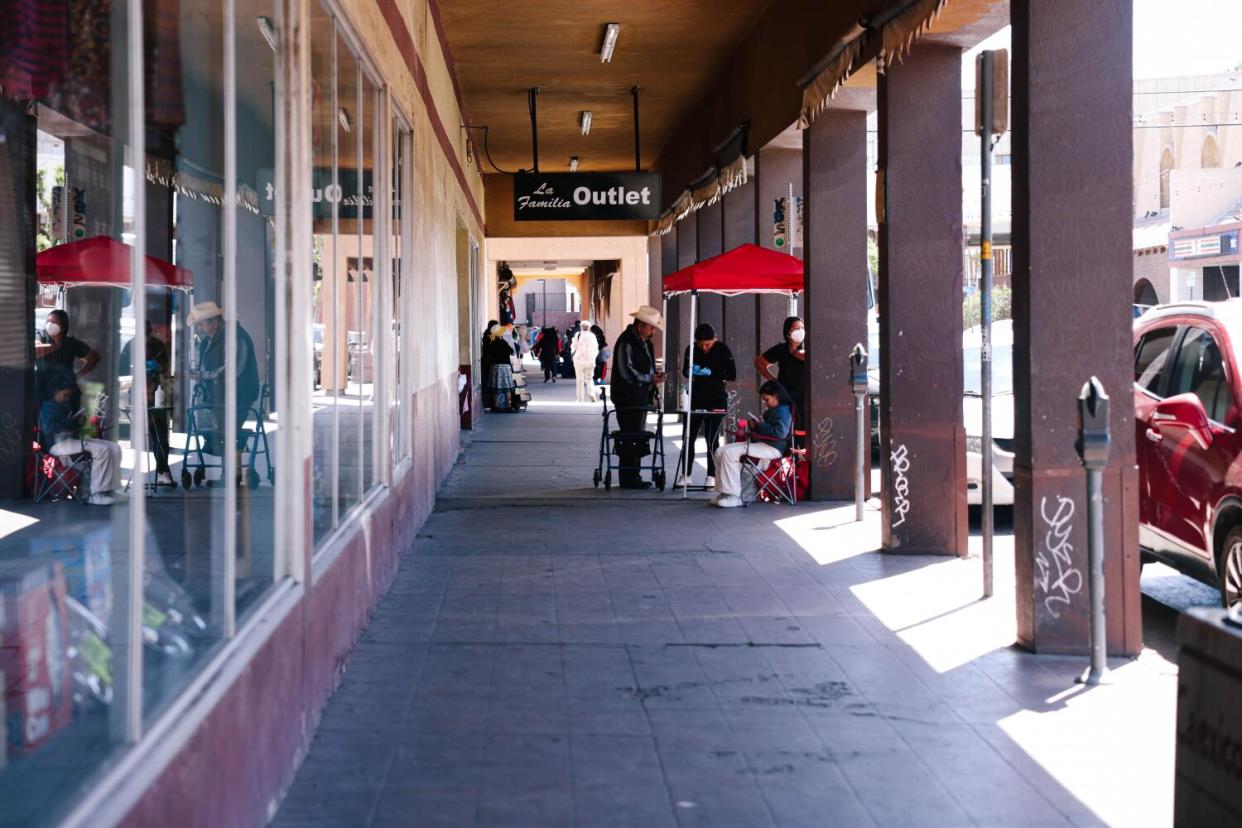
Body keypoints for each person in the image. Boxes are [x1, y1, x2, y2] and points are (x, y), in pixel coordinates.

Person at [188, 301, 260, 477]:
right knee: (222, 431)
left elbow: (232, 370)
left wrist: (203, 375)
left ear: (214, 322)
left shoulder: (235, 338)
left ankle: (233, 472)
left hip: (240, 395)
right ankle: (229, 471)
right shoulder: (213, 339)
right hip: (223, 395)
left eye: (202, 324)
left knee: (228, 430)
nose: (201, 328)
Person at [39, 376, 123, 505]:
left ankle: (109, 489)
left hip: (69, 441)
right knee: (102, 450)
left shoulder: (62, 405)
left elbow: (66, 426)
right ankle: (97, 494)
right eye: (65, 395)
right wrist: (71, 421)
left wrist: (78, 422)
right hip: (57, 445)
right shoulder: (48, 407)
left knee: (114, 448)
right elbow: (49, 429)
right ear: (55, 391)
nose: (67, 398)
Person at [711, 380, 793, 508]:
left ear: (776, 395)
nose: (765, 403)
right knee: (720, 451)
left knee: (729, 453)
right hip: (764, 444)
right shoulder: (775, 410)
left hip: (773, 448)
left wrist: (760, 425)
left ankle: (734, 495)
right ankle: (724, 493)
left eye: (767, 399)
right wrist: (755, 426)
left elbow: (780, 433)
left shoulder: (783, 411)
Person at [611, 305, 666, 489]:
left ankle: (633, 474)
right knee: (630, 435)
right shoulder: (626, 341)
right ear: (641, 325)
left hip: (640, 396)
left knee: (637, 433)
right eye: (651, 327)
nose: (653, 331)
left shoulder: (645, 342)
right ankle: (628, 476)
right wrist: (648, 378)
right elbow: (626, 370)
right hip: (626, 397)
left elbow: (647, 366)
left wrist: (654, 378)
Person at [677, 323, 736, 488]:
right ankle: (686, 474)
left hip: (716, 400)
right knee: (688, 437)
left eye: (707, 344)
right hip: (695, 399)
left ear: (714, 340)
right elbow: (685, 371)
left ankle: (711, 475)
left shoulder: (722, 350)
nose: (703, 348)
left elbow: (732, 374)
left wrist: (711, 371)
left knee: (712, 439)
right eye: (700, 344)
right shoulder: (691, 349)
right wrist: (692, 370)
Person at [120, 320, 175, 486]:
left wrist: (155, 366)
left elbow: (165, 367)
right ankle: (160, 470)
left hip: (157, 393)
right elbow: (122, 368)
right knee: (149, 435)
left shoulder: (157, 346)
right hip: (138, 393)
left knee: (160, 436)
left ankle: (162, 470)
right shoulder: (131, 345)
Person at [34, 308, 100, 412]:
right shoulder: (41, 337)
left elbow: (94, 357)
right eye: (48, 321)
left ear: (63, 327)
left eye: (54, 322)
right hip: (43, 391)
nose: (50, 324)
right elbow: (34, 351)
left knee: (66, 424)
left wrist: (76, 376)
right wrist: (54, 346)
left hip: (66, 393)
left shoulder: (70, 343)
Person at [754, 315, 806, 422]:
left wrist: (795, 352)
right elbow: (759, 362)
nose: (800, 331)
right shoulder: (781, 349)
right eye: (796, 329)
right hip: (785, 395)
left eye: (802, 328)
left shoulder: (807, 348)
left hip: (804, 396)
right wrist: (773, 380)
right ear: (788, 333)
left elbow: (809, 357)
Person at [484, 324, 516, 411]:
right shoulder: (503, 343)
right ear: (500, 334)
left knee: (496, 387)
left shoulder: (492, 342)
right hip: (505, 367)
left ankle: (495, 406)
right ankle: (508, 407)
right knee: (507, 387)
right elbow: (512, 351)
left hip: (494, 367)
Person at [570, 320, 600, 403]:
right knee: (589, 379)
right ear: (589, 327)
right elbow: (596, 349)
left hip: (579, 361)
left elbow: (573, 347)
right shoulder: (592, 336)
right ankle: (592, 395)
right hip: (590, 361)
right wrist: (593, 357)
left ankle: (580, 399)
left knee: (579, 380)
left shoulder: (578, 335)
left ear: (581, 327)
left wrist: (573, 353)